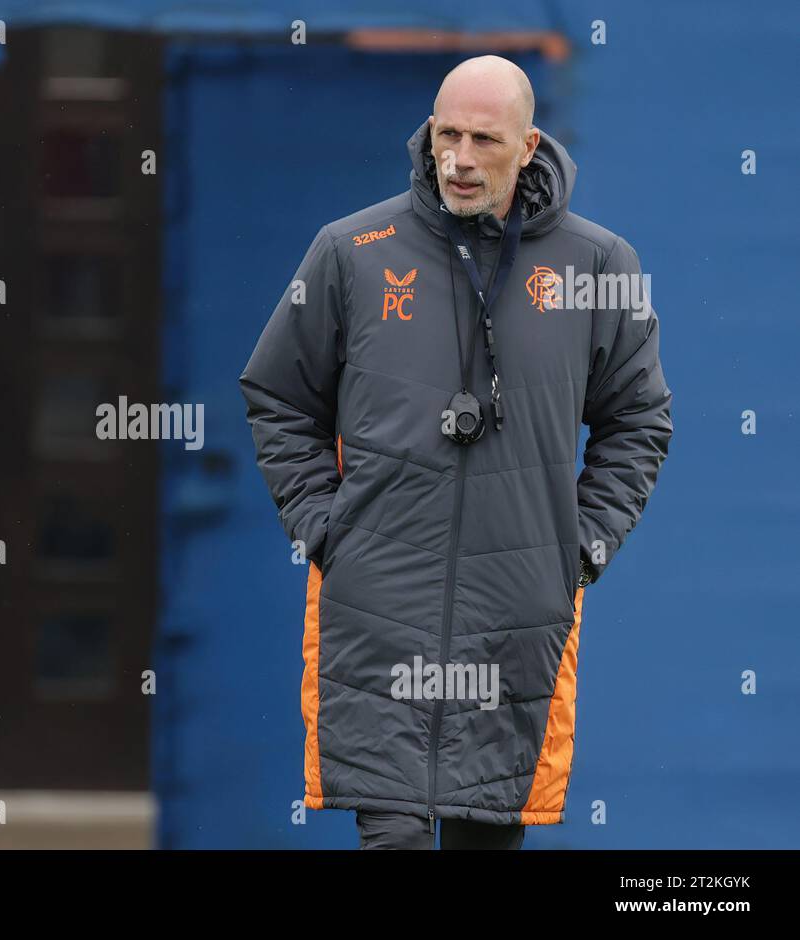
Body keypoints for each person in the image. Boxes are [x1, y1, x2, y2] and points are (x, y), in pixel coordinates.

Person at [239, 57, 672, 849]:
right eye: (447, 135)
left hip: (518, 615)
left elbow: (639, 420)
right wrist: (324, 526)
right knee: (394, 835)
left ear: (529, 144)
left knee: (487, 839)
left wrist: (578, 549)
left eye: (483, 139)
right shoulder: (351, 252)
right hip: (378, 609)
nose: (460, 160)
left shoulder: (600, 267)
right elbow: (278, 395)